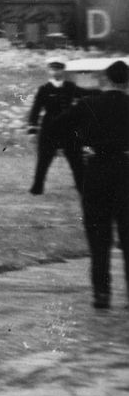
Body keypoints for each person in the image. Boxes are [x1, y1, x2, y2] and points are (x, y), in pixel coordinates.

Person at [59, 60, 129, 310]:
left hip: (96, 169)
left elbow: (59, 127)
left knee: (98, 235)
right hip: (126, 169)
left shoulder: (88, 104)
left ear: (106, 80)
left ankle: (101, 293)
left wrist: (79, 155)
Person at [27, 60, 83, 194]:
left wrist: (105, 92)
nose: (55, 71)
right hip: (49, 129)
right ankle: (37, 187)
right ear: (49, 71)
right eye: (53, 69)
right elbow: (35, 109)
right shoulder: (44, 89)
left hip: (69, 129)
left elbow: (85, 93)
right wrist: (32, 130)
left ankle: (82, 187)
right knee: (43, 160)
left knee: (76, 160)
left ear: (63, 71)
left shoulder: (70, 86)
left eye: (58, 69)